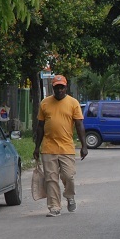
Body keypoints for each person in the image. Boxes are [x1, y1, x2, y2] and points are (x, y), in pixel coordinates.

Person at [34, 74, 88, 217]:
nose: (59, 90)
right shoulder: (45, 103)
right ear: (53, 88)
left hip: (66, 147)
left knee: (68, 176)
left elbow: (79, 125)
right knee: (51, 179)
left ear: (66, 87)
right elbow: (40, 126)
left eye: (62, 87)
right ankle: (54, 207)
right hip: (48, 147)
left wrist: (84, 146)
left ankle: (69, 196)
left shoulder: (73, 103)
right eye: (57, 88)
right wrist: (36, 147)